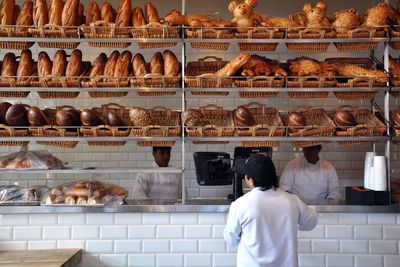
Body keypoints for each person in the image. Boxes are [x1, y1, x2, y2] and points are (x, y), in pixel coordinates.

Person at [223, 155, 317, 267]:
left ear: (250, 181)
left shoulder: (240, 204)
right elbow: (310, 223)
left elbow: (231, 240)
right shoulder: (292, 200)